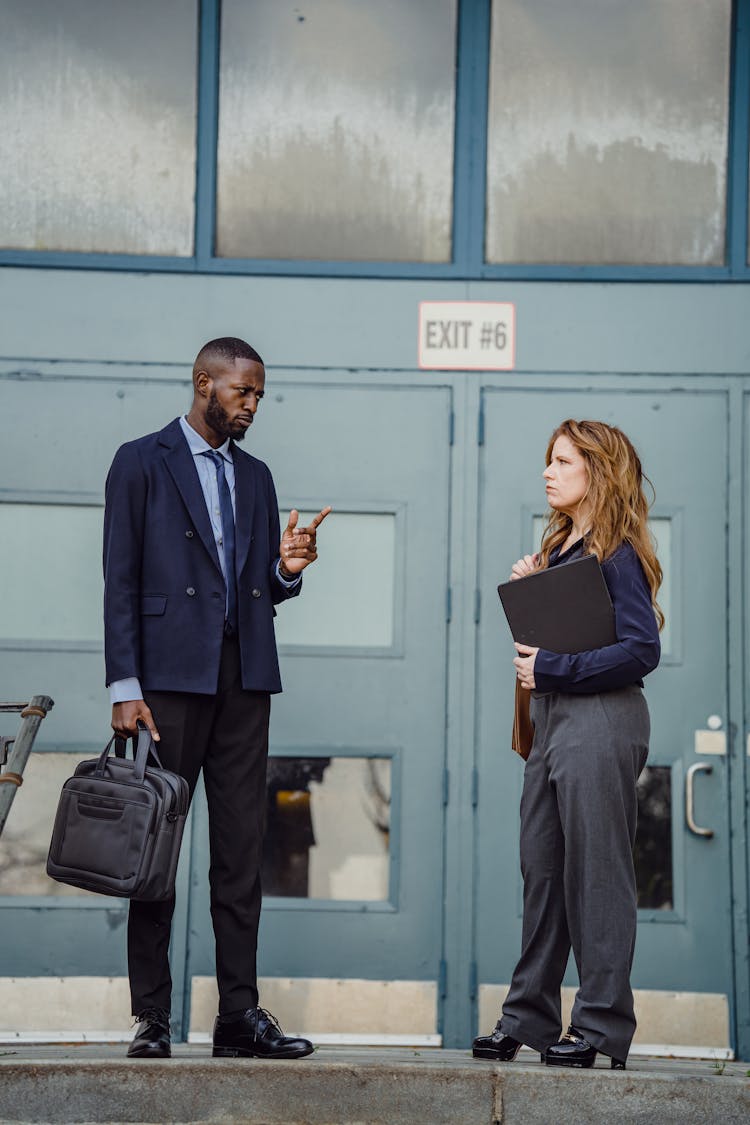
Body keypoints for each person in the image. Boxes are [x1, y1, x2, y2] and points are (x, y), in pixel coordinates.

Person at [103, 336, 331, 1060]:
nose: (253, 406)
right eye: (243, 392)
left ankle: (238, 1015)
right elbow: (121, 582)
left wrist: (288, 569)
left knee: (240, 854)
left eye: (260, 395)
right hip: (163, 687)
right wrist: (123, 686)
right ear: (204, 382)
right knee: (154, 855)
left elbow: (262, 582)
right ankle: (152, 1017)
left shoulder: (257, 477)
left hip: (243, 682)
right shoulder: (140, 462)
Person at [473, 419, 662, 1070]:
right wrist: (535, 585)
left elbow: (642, 649)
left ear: (596, 472)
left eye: (561, 461)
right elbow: (560, 638)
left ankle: (602, 1026)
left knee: (597, 873)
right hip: (554, 725)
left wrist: (552, 668)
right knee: (542, 870)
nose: (548, 472)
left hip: (602, 720)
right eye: (548, 461)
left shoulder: (618, 552)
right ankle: (528, 1017)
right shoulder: (561, 549)